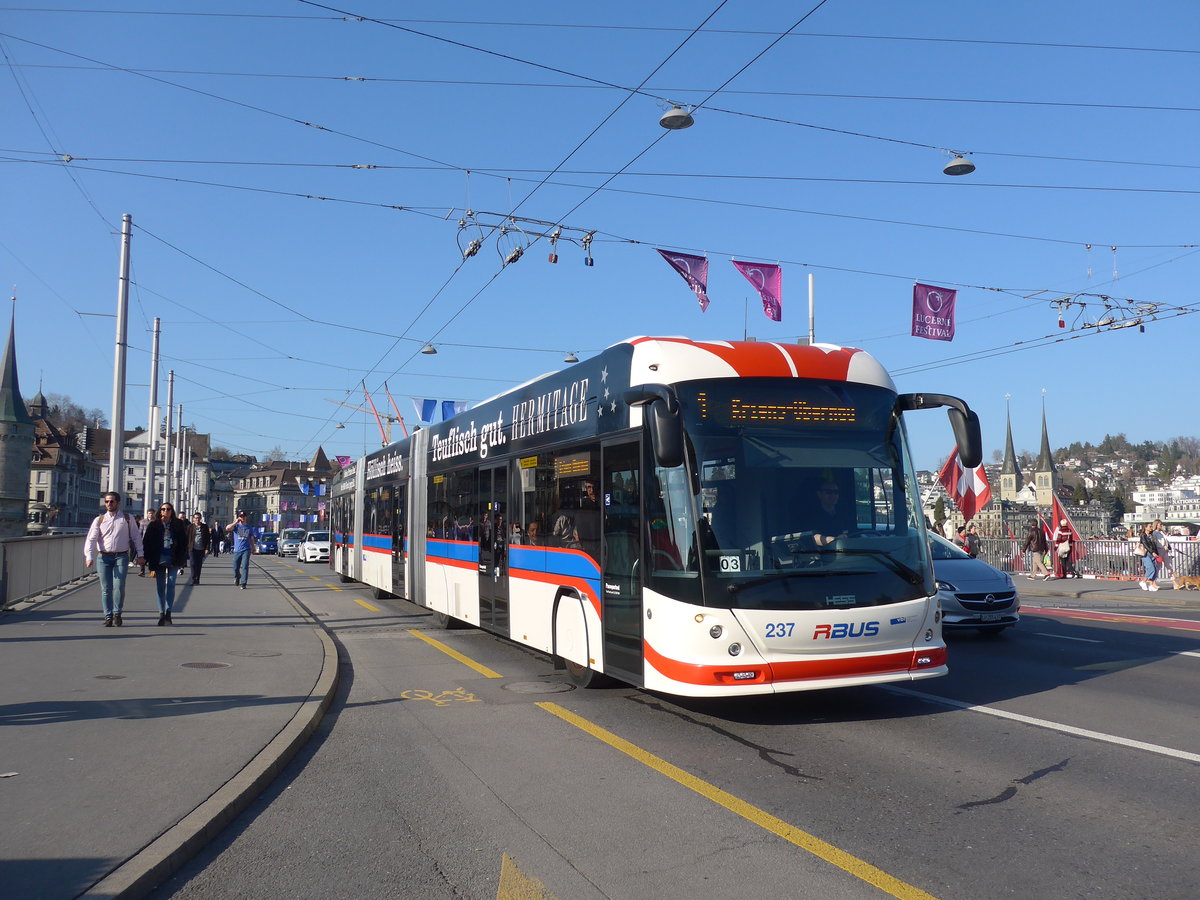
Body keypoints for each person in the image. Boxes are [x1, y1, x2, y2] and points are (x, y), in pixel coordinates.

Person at [84, 492, 146, 627]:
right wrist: (89, 556)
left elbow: (136, 537)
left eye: (112, 502)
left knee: (119, 587)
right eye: (106, 501)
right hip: (104, 557)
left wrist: (140, 555)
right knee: (106, 588)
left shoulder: (127, 519)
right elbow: (91, 539)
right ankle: (108, 616)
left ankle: (117, 613)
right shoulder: (99, 520)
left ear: (118, 503)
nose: (109, 504)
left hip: (121, 556)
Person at [143, 502, 190, 624]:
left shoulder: (178, 524)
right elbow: (147, 541)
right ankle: (161, 613)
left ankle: (168, 612)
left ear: (172, 511)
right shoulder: (154, 525)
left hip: (173, 557)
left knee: (171, 584)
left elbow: (183, 541)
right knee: (160, 587)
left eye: (168, 509)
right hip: (158, 558)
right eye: (163, 509)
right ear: (160, 511)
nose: (165, 511)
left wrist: (183, 557)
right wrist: (145, 558)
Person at [809, 478, 854, 547]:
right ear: (819, 494)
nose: (833, 495)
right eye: (828, 492)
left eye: (836, 492)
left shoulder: (843, 514)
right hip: (823, 555)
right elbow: (812, 537)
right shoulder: (812, 515)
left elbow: (852, 533)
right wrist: (833, 540)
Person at [226, 510, 256, 589]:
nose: (242, 518)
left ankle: (243, 583)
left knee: (245, 566)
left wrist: (253, 548)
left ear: (246, 517)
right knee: (235, 567)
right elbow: (227, 528)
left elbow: (251, 538)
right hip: (237, 550)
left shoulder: (249, 527)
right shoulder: (236, 526)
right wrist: (235, 522)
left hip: (246, 549)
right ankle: (237, 576)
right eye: (241, 516)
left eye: (243, 516)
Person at [186, 513, 211, 585]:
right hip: (192, 548)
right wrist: (186, 547)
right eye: (196, 518)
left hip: (201, 548)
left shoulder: (204, 527)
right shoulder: (190, 527)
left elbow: (207, 538)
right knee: (192, 563)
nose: (197, 519)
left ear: (201, 519)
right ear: (193, 519)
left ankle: (197, 579)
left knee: (199, 564)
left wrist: (207, 548)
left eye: (199, 518)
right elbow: (186, 537)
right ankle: (193, 578)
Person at [1137, 521, 1160, 591]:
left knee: (1155, 569)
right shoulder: (1143, 535)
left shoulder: (1151, 535)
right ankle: (1143, 581)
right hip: (1146, 554)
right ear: (1145, 527)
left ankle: (1151, 585)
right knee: (1150, 568)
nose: (1151, 528)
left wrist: (1156, 553)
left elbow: (1154, 545)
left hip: (1153, 553)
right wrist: (1152, 552)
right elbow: (1146, 545)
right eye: (1150, 526)